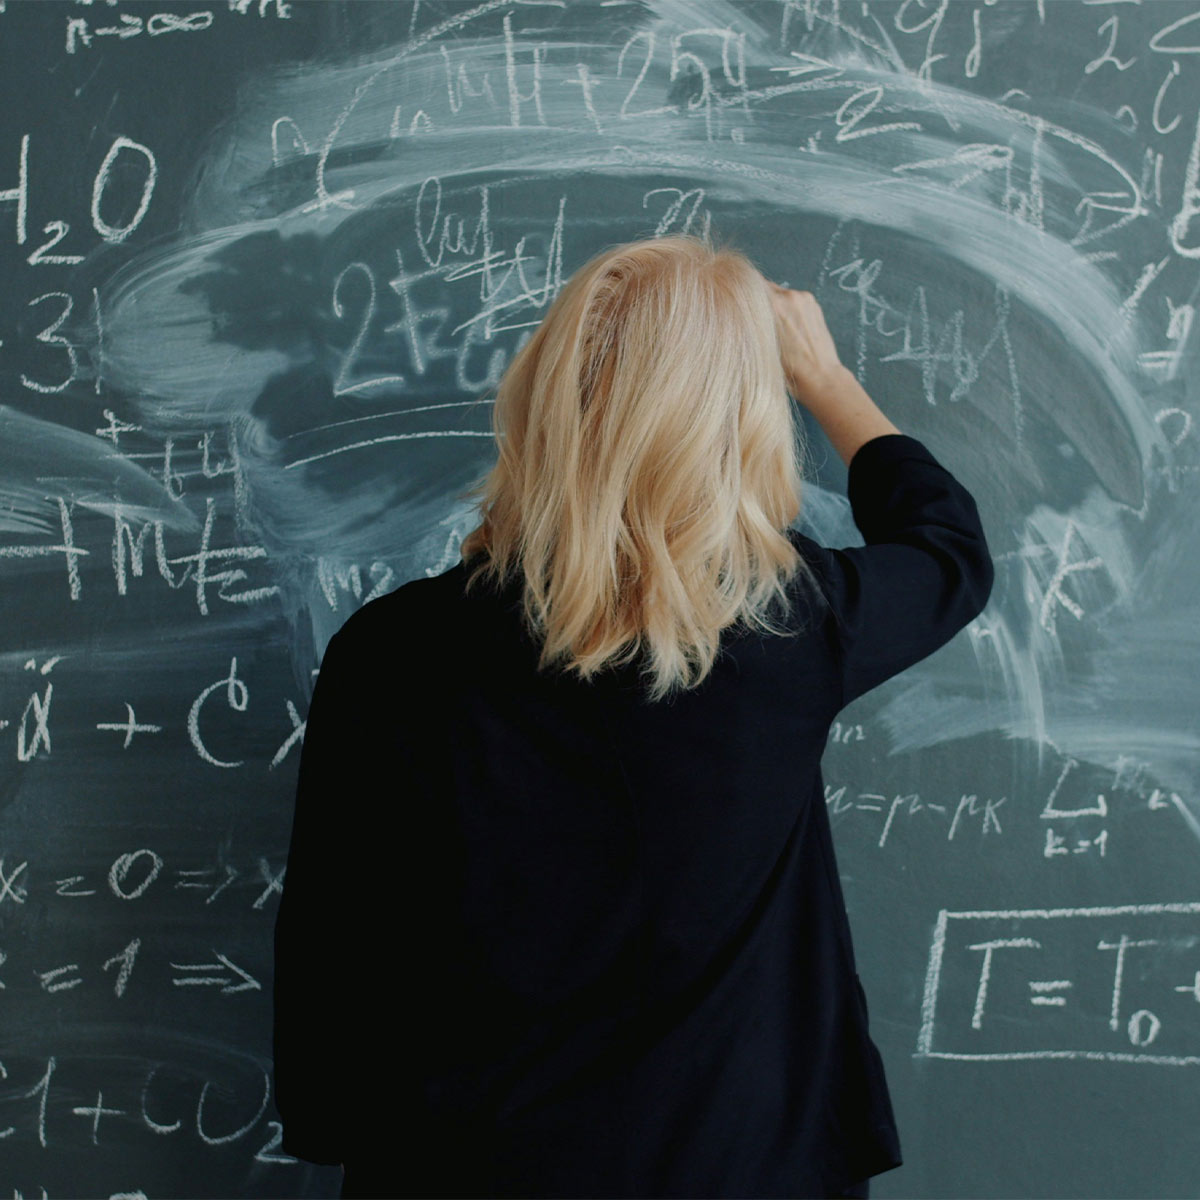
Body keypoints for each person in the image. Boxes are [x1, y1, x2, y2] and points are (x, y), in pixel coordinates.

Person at [271, 233, 994, 1199]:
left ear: (541, 398)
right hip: (746, 1167)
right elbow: (948, 548)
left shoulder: (389, 650)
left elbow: (334, 943)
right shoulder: (794, 628)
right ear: (737, 423)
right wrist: (824, 376)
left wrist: (340, 1127)